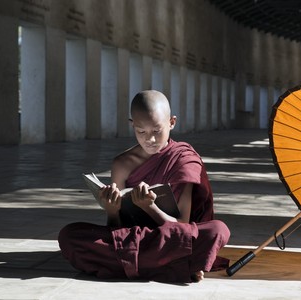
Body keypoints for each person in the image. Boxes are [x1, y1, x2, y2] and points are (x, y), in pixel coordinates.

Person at [58, 90, 230, 283]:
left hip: (167, 237)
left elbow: (181, 225)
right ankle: (177, 265)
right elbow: (117, 231)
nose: (150, 139)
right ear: (132, 125)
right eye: (141, 131)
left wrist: (150, 207)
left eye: (157, 131)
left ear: (172, 122)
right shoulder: (122, 164)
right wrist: (112, 211)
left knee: (218, 230)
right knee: (68, 235)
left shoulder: (182, 159)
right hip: (136, 240)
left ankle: (134, 266)